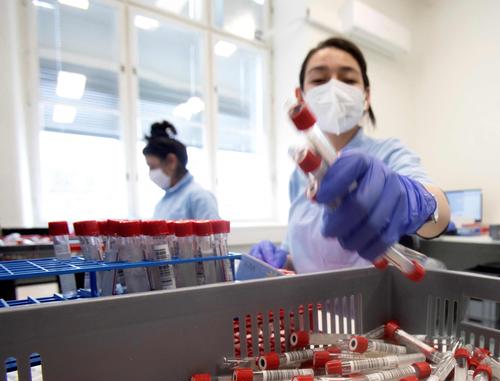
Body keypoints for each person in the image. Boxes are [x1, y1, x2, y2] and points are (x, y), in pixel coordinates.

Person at [251, 37, 450, 273]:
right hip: (312, 306)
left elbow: (439, 216)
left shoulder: (389, 153)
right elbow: (306, 257)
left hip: (370, 304)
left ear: (366, 96)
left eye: (348, 79)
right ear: (300, 97)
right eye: (319, 79)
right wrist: (280, 261)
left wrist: (416, 200)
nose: (334, 88)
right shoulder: (301, 173)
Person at [143, 121, 219, 220]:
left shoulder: (199, 198)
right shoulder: (162, 204)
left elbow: (213, 235)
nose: (151, 173)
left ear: (171, 161)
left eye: (152, 166)